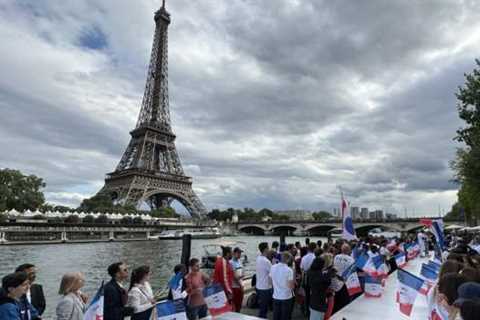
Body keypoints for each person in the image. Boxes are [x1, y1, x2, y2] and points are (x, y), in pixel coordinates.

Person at [270, 252, 295, 320]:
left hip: (276, 296)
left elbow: (271, 281)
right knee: (285, 317)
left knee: (276, 316)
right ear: (288, 260)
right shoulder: (289, 270)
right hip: (286, 297)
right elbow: (291, 286)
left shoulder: (273, 267)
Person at [255, 242, 272, 319]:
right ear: (265, 249)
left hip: (259, 286)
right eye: (268, 248)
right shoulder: (266, 261)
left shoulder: (258, 258)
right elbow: (272, 272)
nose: (269, 249)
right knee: (264, 309)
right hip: (265, 287)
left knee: (262, 307)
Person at [230, 247, 244, 312]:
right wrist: (240, 286)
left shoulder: (240, 261)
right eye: (238, 253)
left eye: (240, 253)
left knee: (239, 305)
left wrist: (240, 277)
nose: (240, 254)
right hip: (235, 287)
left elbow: (242, 273)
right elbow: (235, 277)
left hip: (240, 285)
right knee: (235, 305)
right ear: (234, 253)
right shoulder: (231, 263)